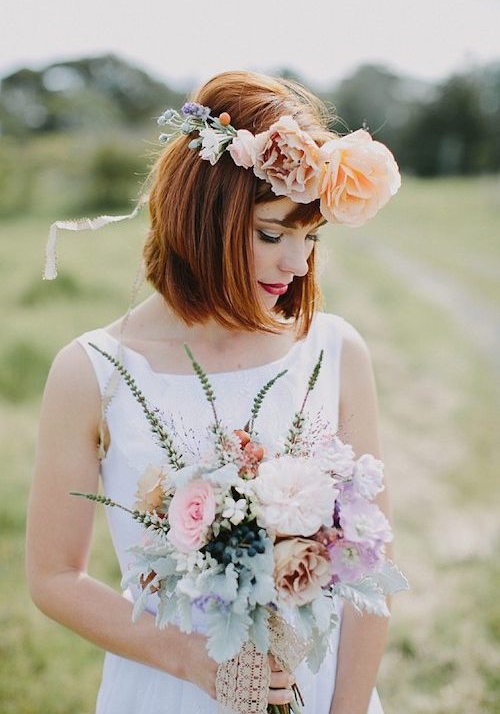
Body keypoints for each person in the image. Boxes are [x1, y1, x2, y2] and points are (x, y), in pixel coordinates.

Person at [26, 69, 400, 714]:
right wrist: (189, 659)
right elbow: (54, 576)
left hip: (322, 684)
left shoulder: (335, 351)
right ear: (204, 216)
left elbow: (369, 563)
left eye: (310, 237)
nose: (298, 264)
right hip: (167, 690)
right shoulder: (93, 371)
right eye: (271, 233)